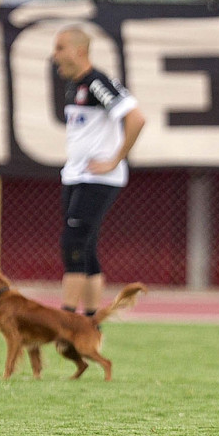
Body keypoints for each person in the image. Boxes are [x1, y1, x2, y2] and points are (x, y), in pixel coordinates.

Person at [52, 26, 146, 317]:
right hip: (77, 174)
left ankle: (67, 321)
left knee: (73, 243)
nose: (55, 56)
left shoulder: (96, 82)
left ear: (79, 51)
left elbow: (136, 117)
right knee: (86, 249)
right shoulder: (74, 85)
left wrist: (116, 159)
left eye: (60, 48)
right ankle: (91, 323)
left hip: (97, 178)